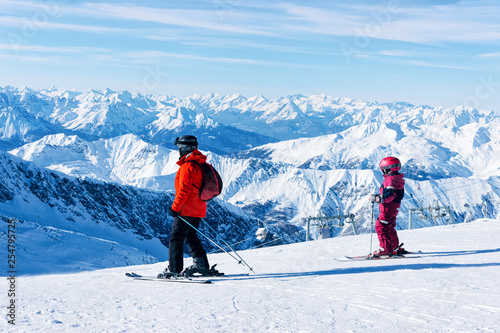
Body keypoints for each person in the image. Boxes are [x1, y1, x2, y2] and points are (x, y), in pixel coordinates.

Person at [161, 135, 217, 277]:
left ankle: (174, 269)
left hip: (186, 208)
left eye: (180, 148)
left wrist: (175, 208)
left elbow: (183, 191)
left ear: (186, 149)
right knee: (191, 237)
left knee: (176, 238)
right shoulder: (199, 163)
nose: (178, 151)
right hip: (199, 208)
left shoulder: (188, 166)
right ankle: (201, 265)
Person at [369, 156, 407, 257]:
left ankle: (385, 249)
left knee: (380, 227)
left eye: (383, 169)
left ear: (387, 169)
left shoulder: (390, 180)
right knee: (389, 227)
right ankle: (394, 247)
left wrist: (377, 198)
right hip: (394, 208)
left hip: (388, 208)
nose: (382, 172)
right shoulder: (397, 179)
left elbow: (390, 194)